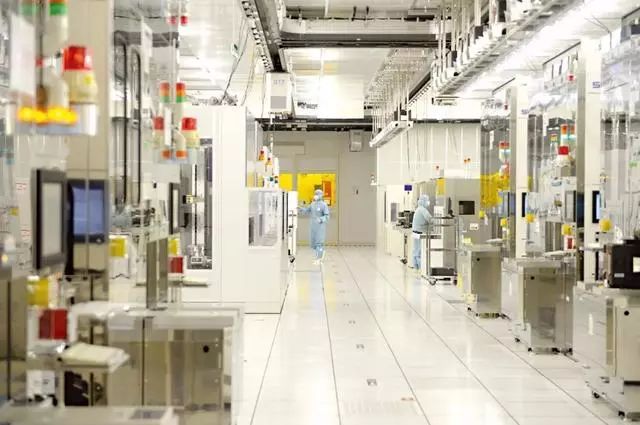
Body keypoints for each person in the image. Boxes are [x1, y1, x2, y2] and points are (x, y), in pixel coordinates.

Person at [299, 189, 330, 264]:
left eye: (318, 194)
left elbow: (327, 216)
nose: (316, 195)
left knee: (319, 243)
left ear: (321, 195)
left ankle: (319, 259)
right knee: (314, 243)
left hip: (320, 227)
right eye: (315, 194)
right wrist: (300, 208)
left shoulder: (324, 205)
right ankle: (319, 255)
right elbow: (306, 210)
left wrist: (321, 219)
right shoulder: (312, 204)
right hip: (313, 226)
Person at [412, 194, 432, 270]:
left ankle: (416, 266)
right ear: (423, 201)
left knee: (416, 249)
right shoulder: (422, 210)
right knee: (419, 250)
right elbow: (429, 218)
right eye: (427, 201)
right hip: (419, 232)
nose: (428, 202)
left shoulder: (418, 209)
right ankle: (420, 267)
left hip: (416, 231)